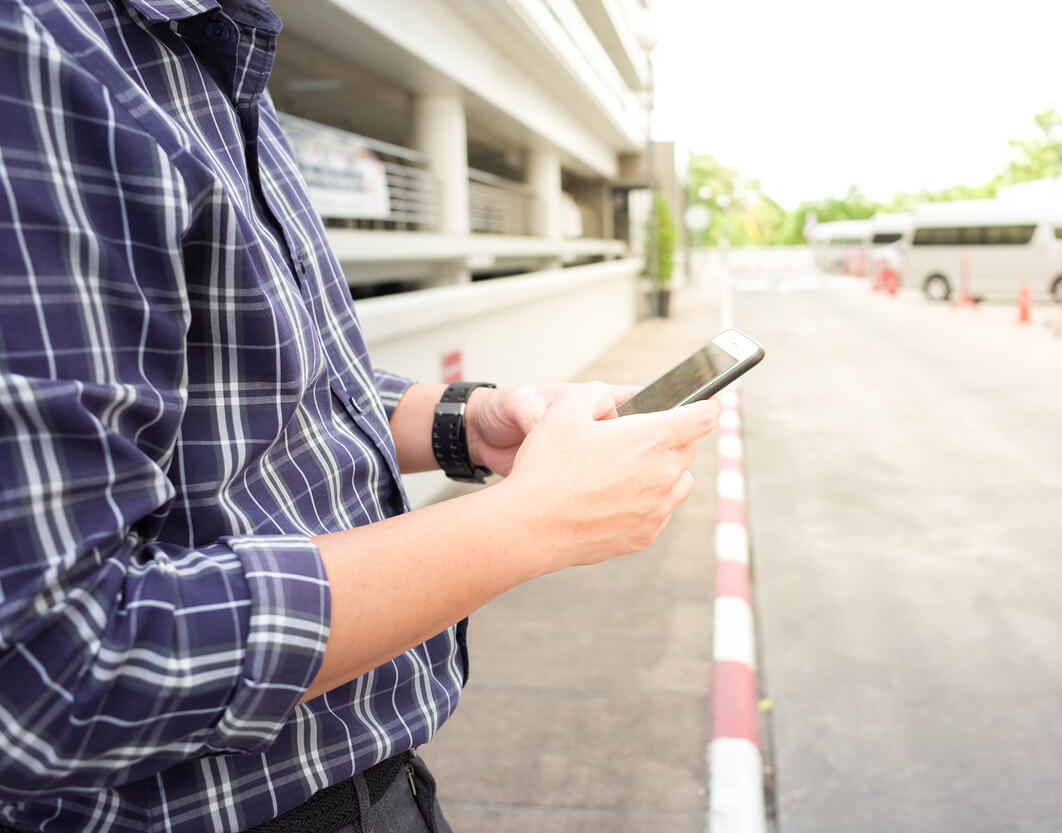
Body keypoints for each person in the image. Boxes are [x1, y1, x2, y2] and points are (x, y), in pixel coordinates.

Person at [0, 2, 719, 832]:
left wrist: (466, 421)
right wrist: (532, 523)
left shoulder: (210, 54)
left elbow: (260, 376)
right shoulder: (45, 48)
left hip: (372, 787)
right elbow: (47, 669)